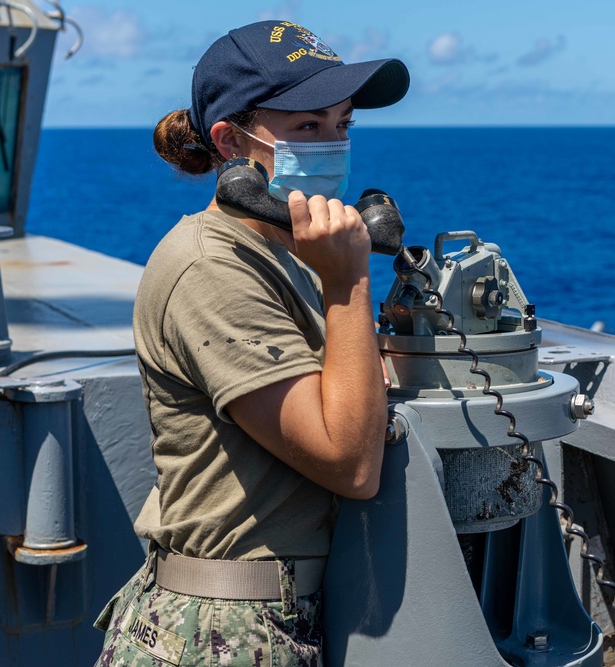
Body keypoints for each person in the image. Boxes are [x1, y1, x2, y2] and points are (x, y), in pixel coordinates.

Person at [94, 20, 409, 666]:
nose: (332, 145)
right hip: (225, 629)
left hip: (284, 615)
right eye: (306, 127)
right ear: (230, 142)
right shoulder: (208, 267)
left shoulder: (290, 256)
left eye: (342, 125)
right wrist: (349, 282)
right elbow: (349, 461)